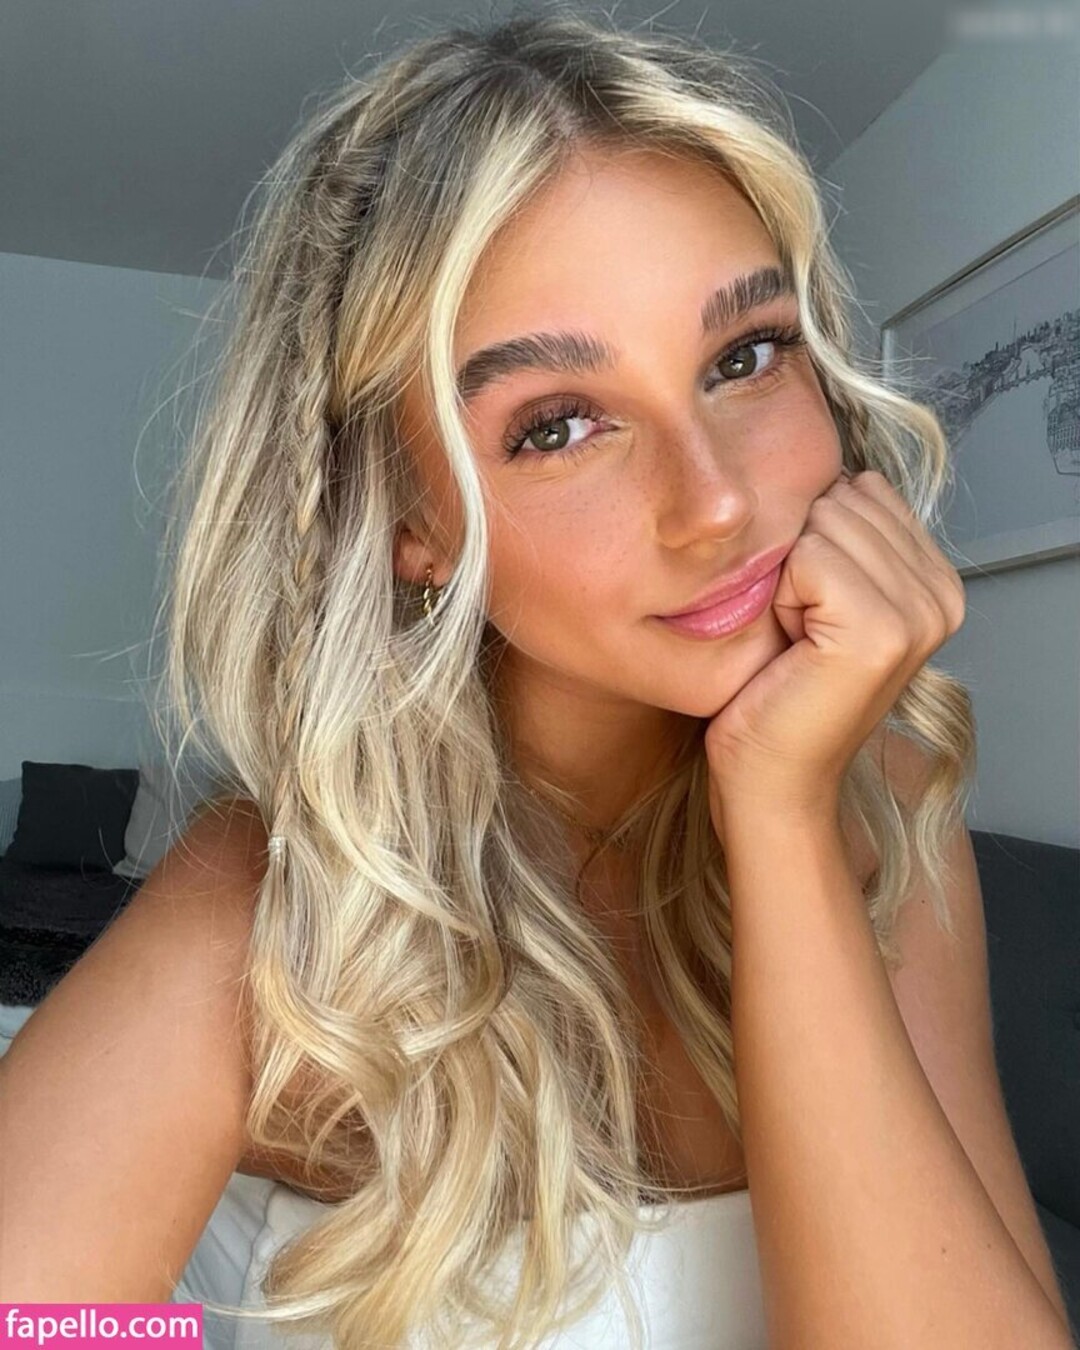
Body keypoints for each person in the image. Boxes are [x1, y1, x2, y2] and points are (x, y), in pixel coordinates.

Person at [2, 7, 1073, 1349]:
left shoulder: (887, 799)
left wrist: (784, 818)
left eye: (744, 356)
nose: (717, 500)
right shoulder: (281, 903)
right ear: (409, 521)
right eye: (560, 426)